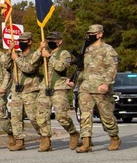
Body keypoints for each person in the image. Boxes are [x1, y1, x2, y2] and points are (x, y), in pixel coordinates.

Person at [71, 24, 120, 153]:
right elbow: (82, 69)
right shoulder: (86, 50)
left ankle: (114, 137)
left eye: (93, 33)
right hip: (85, 87)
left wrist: (106, 83)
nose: (90, 35)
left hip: (101, 88)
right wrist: (73, 80)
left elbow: (112, 68)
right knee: (85, 115)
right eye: (89, 33)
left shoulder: (108, 50)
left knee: (106, 116)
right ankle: (86, 142)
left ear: (100, 34)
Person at [9, 32, 51, 151]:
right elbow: (6, 66)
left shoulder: (35, 55)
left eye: (24, 41)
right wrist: (10, 52)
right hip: (17, 90)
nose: (21, 43)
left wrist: (16, 59)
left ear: (30, 42)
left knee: (34, 117)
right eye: (19, 41)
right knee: (15, 117)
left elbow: (29, 68)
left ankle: (45, 137)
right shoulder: (17, 55)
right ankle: (19, 141)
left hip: (30, 90)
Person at [40, 31, 80, 150]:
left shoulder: (64, 54)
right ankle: (46, 140)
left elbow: (61, 67)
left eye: (53, 40)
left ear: (60, 41)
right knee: (41, 116)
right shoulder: (44, 53)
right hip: (45, 87)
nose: (50, 42)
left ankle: (73, 133)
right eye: (49, 40)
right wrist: (40, 50)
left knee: (61, 116)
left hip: (59, 87)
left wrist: (49, 57)